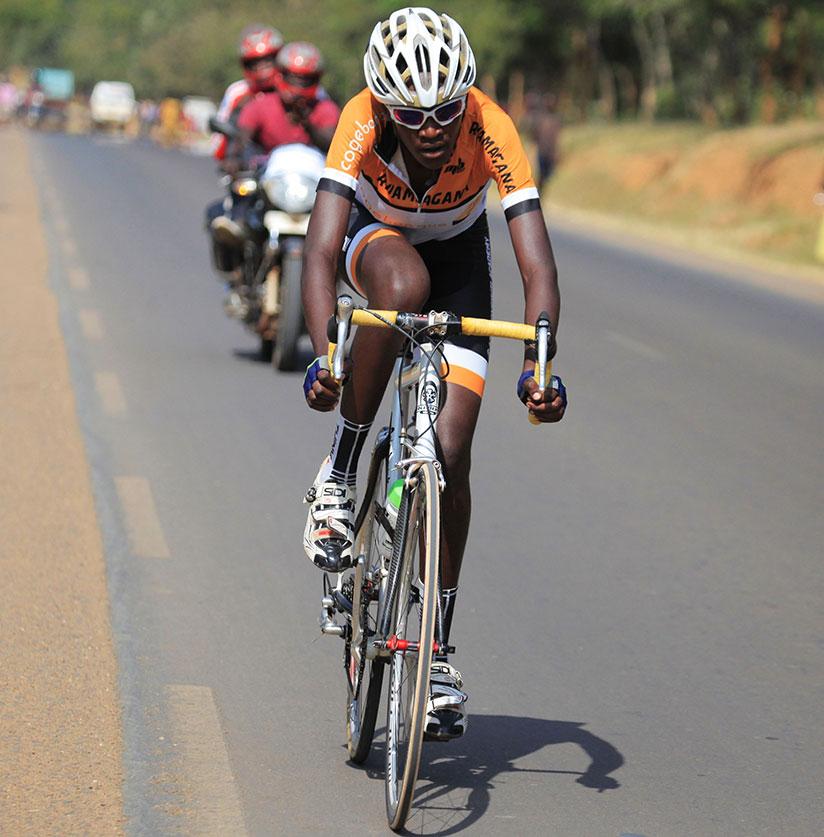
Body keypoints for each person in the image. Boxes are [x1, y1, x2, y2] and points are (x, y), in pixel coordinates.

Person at [300, 7, 566, 740]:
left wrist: (538, 367)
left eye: (447, 109)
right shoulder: (360, 119)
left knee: (449, 456)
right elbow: (320, 253)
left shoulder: (491, 125)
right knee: (401, 286)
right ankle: (341, 471)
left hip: (458, 259)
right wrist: (329, 353)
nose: (431, 127)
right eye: (412, 113)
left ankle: (438, 652)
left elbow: (536, 264)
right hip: (373, 240)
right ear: (385, 103)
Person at [207, 25, 284, 253]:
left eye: (269, 60)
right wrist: (229, 159)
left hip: (292, 170)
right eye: (254, 62)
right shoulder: (238, 93)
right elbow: (219, 142)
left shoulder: (297, 87)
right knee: (233, 211)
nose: (262, 68)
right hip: (251, 168)